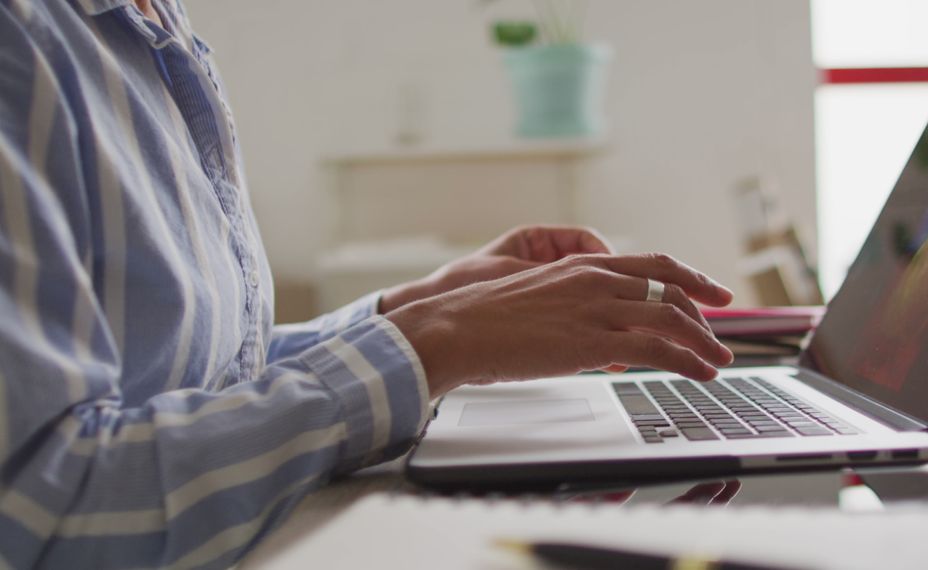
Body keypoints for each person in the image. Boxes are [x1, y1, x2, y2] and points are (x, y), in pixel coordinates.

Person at [0, 0, 734, 567]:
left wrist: (420, 308)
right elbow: (42, 519)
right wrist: (430, 342)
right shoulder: (23, 41)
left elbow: (196, 380)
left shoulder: (149, 29)